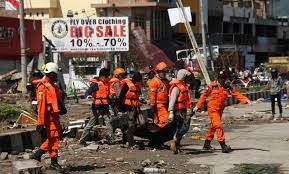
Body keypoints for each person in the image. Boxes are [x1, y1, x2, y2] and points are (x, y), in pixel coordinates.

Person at [194, 71, 250, 153]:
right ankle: (223, 145)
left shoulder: (227, 88)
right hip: (212, 109)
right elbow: (204, 96)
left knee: (213, 126)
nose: (221, 80)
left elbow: (236, 94)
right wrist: (197, 106)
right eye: (220, 78)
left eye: (223, 78)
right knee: (218, 125)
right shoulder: (212, 86)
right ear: (218, 78)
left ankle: (207, 144)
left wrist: (245, 100)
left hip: (220, 110)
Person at [32, 62, 66, 171]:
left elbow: (56, 100)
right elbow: (41, 107)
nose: (56, 77)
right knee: (54, 138)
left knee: (55, 137)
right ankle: (53, 162)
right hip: (48, 117)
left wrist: (62, 108)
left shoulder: (52, 86)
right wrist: (40, 122)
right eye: (55, 74)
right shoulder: (43, 87)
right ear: (51, 74)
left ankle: (39, 154)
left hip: (54, 117)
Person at [79, 68, 113, 145]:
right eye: (106, 77)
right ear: (101, 76)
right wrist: (87, 96)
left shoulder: (106, 83)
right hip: (96, 107)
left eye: (108, 77)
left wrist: (111, 103)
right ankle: (82, 140)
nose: (107, 78)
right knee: (90, 124)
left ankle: (111, 139)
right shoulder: (96, 84)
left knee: (109, 123)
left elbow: (107, 96)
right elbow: (88, 92)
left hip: (105, 107)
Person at [168, 69, 193, 154]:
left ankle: (176, 146)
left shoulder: (184, 86)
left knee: (182, 127)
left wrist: (190, 108)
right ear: (183, 77)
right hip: (178, 111)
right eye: (186, 77)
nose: (188, 79)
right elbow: (172, 100)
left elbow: (187, 99)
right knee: (184, 127)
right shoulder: (176, 88)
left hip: (183, 110)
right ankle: (175, 140)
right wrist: (170, 112)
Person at [118, 72, 142, 147]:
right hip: (128, 107)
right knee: (131, 125)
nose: (138, 82)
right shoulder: (127, 85)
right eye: (137, 81)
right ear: (134, 80)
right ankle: (130, 143)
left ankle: (127, 136)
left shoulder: (138, 86)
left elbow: (137, 96)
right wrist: (121, 109)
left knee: (140, 123)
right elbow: (121, 97)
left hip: (136, 107)